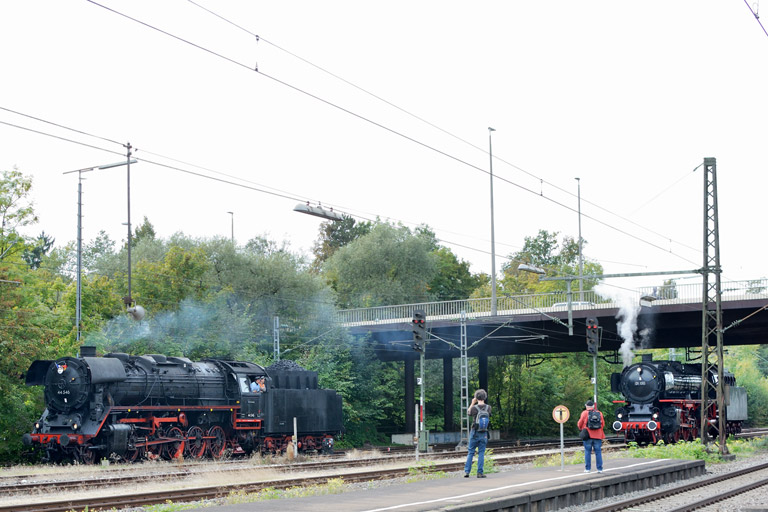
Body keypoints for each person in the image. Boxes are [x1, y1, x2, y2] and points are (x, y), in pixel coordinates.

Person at [464, 389, 491, 478]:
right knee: (481, 453)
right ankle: (480, 473)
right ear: (485, 397)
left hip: (474, 432)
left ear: (476, 397)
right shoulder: (488, 408)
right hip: (484, 433)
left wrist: (472, 403)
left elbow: (468, 412)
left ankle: (467, 472)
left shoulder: (474, 408)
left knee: (471, 452)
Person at [577, 399, 605, 473]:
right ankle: (600, 469)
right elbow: (603, 424)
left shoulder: (584, 413)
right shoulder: (599, 413)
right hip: (598, 436)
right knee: (598, 452)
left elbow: (580, 423)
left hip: (587, 435)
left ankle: (587, 469)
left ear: (586, 406)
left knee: (587, 451)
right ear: (593, 406)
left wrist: (581, 429)